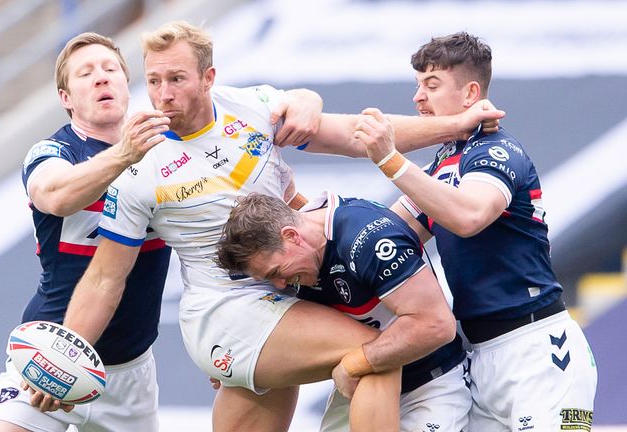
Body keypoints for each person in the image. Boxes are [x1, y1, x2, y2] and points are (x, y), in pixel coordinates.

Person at [57, 21, 505, 432]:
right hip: (226, 312)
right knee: (377, 353)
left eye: (177, 79)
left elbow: (357, 134)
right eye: (153, 81)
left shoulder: (254, 108)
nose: (163, 94)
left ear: (208, 78)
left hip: (287, 297)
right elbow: (104, 278)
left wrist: (455, 126)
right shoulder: (138, 163)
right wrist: (64, 357)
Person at [356, 32, 598, 431]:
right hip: (477, 354)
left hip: (537, 350)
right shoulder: (444, 163)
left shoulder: (496, 151)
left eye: (431, 86)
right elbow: (386, 234)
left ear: (470, 93)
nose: (418, 98)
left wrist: (390, 160)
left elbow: (469, 217)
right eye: (417, 86)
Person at [0, 32, 173, 432]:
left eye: (110, 69)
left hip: (129, 373)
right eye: (86, 74)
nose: (101, 78)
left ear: (125, 82)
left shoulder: (167, 153)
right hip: (48, 354)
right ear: (66, 98)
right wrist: (123, 155)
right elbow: (56, 194)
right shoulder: (53, 153)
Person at [216, 191, 470, 431]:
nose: (281, 285)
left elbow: (436, 326)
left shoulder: (368, 238)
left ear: (292, 236)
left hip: (430, 386)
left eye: (276, 272)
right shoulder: (300, 256)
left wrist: (354, 364)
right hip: (360, 390)